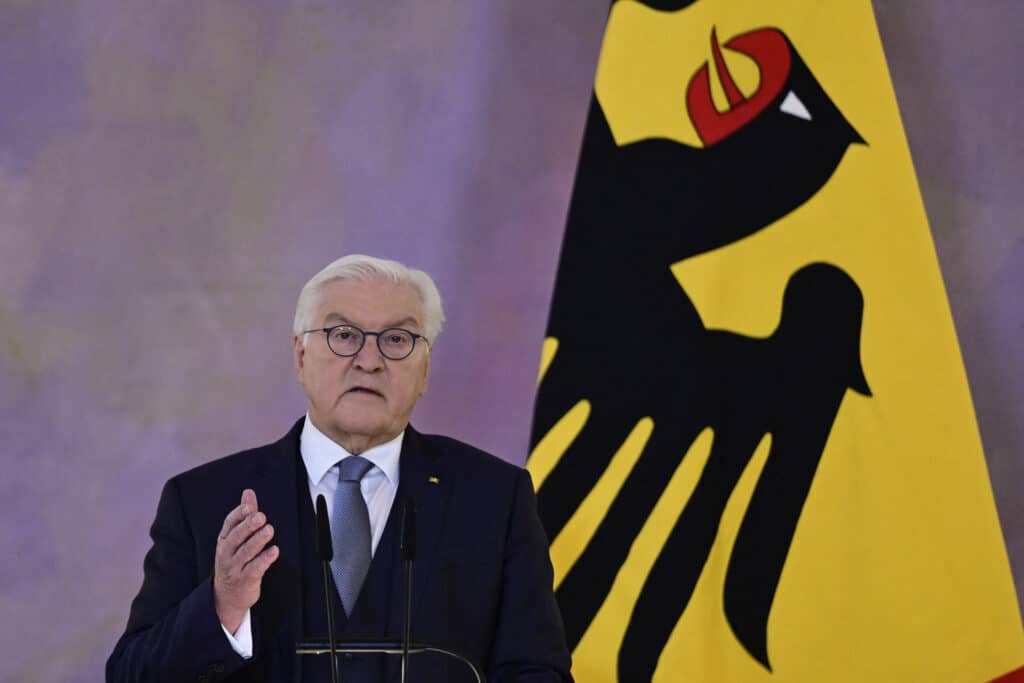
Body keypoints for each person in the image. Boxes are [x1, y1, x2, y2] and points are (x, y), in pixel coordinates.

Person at [107, 255, 573, 682]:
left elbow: (538, 671)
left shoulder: (493, 498)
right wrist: (221, 607)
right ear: (300, 356)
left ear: (425, 368)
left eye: (397, 340)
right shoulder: (203, 501)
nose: (369, 361)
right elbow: (131, 676)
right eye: (344, 335)